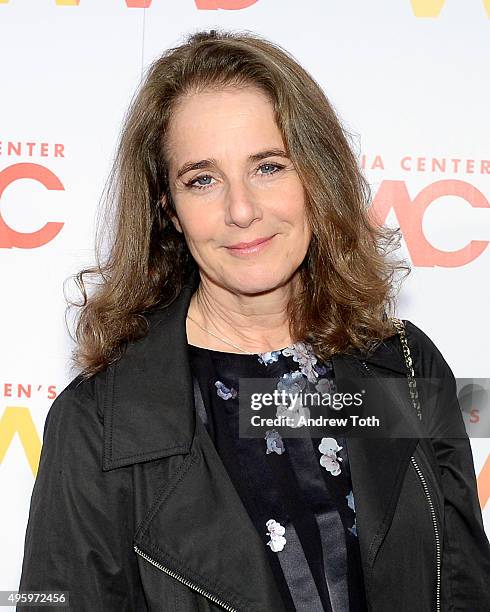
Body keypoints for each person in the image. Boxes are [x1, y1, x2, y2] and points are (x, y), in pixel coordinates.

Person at [17, 28, 490, 612]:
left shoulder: (405, 365)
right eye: (202, 180)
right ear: (168, 205)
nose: (241, 210)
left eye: (268, 167)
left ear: (317, 176)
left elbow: (466, 584)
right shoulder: (100, 426)